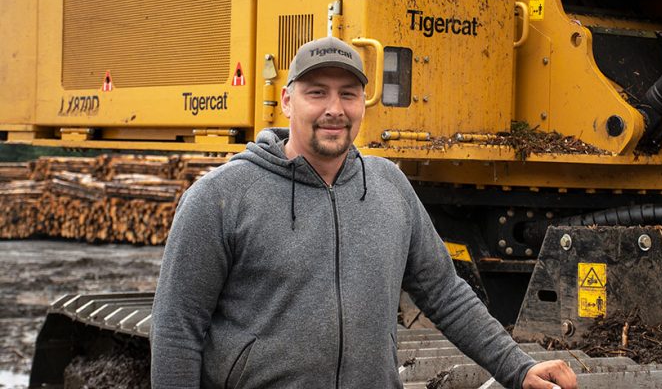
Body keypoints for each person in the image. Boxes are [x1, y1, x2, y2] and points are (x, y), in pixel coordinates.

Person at [151, 37, 578, 389]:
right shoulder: (221, 197)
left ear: (362, 104)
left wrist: (517, 367)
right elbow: (177, 330)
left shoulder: (390, 187)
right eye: (316, 92)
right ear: (286, 100)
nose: (334, 108)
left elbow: (445, 294)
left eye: (348, 94)